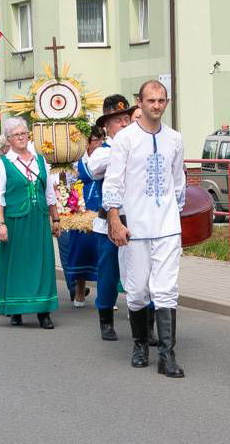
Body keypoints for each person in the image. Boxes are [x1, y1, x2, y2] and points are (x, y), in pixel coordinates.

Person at [103, 80, 186, 377]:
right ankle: (140, 345)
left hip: (166, 226)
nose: (156, 106)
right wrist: (115, 219)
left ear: (167, 102)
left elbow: (178, 181)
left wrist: (177, 217)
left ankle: (167, 355)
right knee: (137, 291)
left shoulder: (175, 138)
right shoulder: (125, 139)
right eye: (151, 100)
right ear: (140, 101)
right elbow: (113, 182)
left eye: (161, 100)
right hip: (135, 227)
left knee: (166, 290)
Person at [0, 117, 60, 329]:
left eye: (24, 133)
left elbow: (49, 193)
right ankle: (16, 308)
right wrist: (0, 224)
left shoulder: (40, 160)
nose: (21, 138)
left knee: (42, 263)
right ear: (8, 139)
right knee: (17, 264)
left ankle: (43, 311)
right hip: (15, 220)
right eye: (16, 135)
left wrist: (55, 218)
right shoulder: (3, 163)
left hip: (38, 218)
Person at [89, 95, 137, 341]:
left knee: (141, 272)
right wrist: (122, 149)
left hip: (138, 219)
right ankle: (105, 318)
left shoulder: (140, 145)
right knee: (108, 273)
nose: (125, 125)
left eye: (127, 119)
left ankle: (146, 323)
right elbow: (92, 169)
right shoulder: (102, 151)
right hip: (109, 221)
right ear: (107, 126)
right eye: (118, 121)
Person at [65, 126, 105, 308]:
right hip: (81, 206)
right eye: (97, 140)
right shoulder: (77, 160)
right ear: (87, 142)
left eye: (102, 139)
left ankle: (106, 294)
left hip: (101, 204)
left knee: (103, 251)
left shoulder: (108, 155)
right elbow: (68, 182)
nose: (100, 143)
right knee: (81, 249)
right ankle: (79, 291)